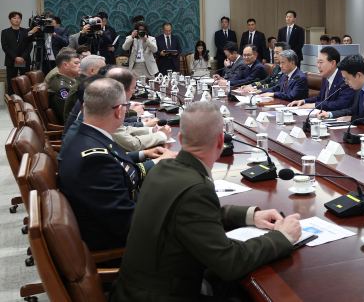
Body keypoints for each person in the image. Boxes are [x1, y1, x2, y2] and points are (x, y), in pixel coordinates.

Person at [109, 101, 301, 301]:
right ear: (220, 141)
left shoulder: (162, 169)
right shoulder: (197, 189)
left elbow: (191, 216)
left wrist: (250, 216)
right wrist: (282, 237)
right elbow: (229, 263)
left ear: (181, 139)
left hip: (131, 290)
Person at [58, 77, 175, 252]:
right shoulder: (94, 160)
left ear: (84, 108)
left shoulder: (89, 137)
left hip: (119, 222)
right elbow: (131, 226)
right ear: (119, 111)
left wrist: (153, 160)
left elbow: (123, 171)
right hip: (123, 251)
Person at [107, 68, 171, 152]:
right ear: (122, 89)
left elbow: (123, 129)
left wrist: (151, 130)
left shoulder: (107, 102)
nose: (134, 92)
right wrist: (161, 135)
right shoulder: (110, 108)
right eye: (133, 88)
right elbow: (131, 144)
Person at [288, 46, 354, 111]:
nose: (318, 66)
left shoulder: (344, 79)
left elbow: (341, 104)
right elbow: (320, 97)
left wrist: (315, 105)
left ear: (333, 63)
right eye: (318, 62)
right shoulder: (326, 78)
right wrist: (303, 101)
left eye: (321, 62)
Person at [62, 55, 105, 123]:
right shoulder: (86, 88)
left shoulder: (81, 82)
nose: (104, 72)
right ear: (92, 70)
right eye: (102, 69)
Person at [2, 11, 33, 95]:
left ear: (21, 20)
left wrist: (22, 57)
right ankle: (12, 103)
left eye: (19, 18)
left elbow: (30, 46)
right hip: (11, 60)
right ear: (10, 20)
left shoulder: (26, 31)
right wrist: (16, 58)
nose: (17, 20)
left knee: (25, 82)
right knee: (12, 82)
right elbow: (5, 47)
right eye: (14, 18)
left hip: (24, 60)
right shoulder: (5, 32)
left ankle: (26, 102)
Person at [47, 50, 81, 123]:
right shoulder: (63, 88)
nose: (80, 66)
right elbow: (69, 114)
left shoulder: (67, 80)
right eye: (76, 63)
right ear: (65, 65)